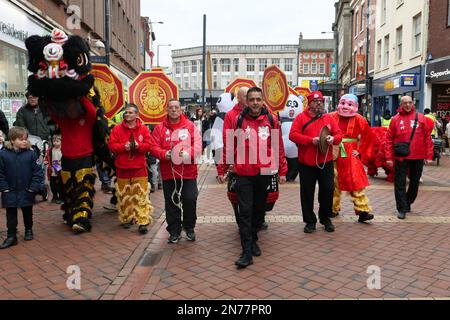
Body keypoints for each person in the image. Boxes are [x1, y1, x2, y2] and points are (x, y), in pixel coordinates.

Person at [218, 87, 287, 269]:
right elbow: (228, 144)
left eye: (258, 99)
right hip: (243, 173)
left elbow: (278, 146)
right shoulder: (239, 120)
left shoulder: (271, 120)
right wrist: (222, 168)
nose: (255, 103)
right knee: (245, 212)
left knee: (258, 212)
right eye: (252, 100)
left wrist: (282, 170)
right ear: (246, 102)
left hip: (264, 172)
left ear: (263, 100)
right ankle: (246, 252)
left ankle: (254, 238)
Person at [289, 91, 343, 234]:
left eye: (321, 101)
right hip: (306, 162)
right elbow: (292, 135)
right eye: (316, 101)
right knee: (307, 192)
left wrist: (333, 139)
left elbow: (339, 134)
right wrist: (310, 141)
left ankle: (325, 218)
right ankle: (309, 221)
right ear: (310, 103)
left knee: (328, 189)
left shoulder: (328, 118)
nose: (319, 103)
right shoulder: (301, 118)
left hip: (326, 160)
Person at [149, 99, 202, 243]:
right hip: (168, 173)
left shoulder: (190, 126)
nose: (173, 110)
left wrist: (187, 153)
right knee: (172, 203)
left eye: (176, 107)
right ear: (167, 110)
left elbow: (197, 145)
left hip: (188, 172)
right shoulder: (160, 128)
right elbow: (153, 147)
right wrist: (164, 154)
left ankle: (189, 227)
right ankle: (174, 231)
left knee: (190, 200)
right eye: (171, 107)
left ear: (181, 110)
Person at [385, 96, 434, 219]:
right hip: (401, 157)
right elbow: (389, 140)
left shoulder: (421, 118)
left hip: (418, 156)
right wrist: (388, 158)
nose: (407, 105)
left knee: (415, 183)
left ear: (413, 103)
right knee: (400, 183)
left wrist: (429, 156)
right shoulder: (395, 119)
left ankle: (408, 201)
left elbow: (428, 138)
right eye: (405, 103)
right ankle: (402, 208)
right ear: (401, 104)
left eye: (409, 103)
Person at [109, 104, 153, 234]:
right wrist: (124, 147)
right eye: (126, 112)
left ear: (136, 115)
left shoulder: (144, 129)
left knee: (141, 195)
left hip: (139, 168)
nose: (127, 114)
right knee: (125, 195)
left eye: (130, 112)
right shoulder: (117, 129)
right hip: (122, 168)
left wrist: (139, 146)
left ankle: (143, 220)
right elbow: (112, 145)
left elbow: (149, 145)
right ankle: (127, 218)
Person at [330, 94, 374, 222]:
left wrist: (360, 151)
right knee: (333, 182)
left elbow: (368, 137)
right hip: (334, 152)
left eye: (349, 104)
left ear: (355, 106)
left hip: (350, 155)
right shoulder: (331, 116)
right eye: (343, 103)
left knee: (356, 182)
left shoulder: (360, 119)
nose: (345, 107)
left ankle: (362, 211)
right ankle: (333, 208)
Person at [0, 127, 44, 249]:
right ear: (12, 140)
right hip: (10, 190)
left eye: (26, 139)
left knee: (27, 211)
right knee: (11, 214)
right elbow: (0, 173)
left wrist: (33, 187)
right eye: (21, 139)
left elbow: (37, 172)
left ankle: (28, 230)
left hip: (26, 189)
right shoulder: (3, 154)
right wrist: (4, 188)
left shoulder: (31, 154)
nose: (24, 141)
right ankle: (11, 236)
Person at [45, 134, 63, 204]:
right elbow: (47, 157)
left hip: (60, 169)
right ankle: (55, 196)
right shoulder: (50, 150)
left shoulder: (63, 149)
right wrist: (46, 161)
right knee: (52, 184)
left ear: (61, 141)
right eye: (54, 141)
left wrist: (61, 163)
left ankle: (61, 197)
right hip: (52, 169)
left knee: (60, 184)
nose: (55, 143)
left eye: (57, 141)